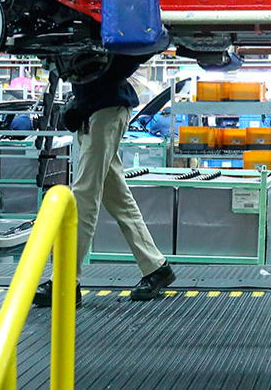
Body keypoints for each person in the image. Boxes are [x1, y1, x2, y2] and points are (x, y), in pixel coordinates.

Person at [33, 54, 175, 308]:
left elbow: (130, 57)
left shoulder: (105, 39)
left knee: (83, 196)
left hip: (106, 111)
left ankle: (65, 281)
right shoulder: (78, 44)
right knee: (118, 198)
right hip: (92, 111)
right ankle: (156, 267)